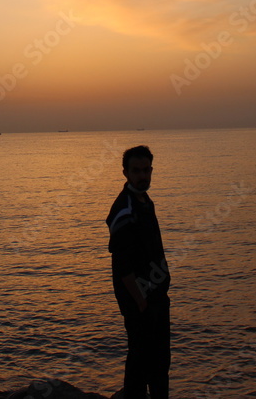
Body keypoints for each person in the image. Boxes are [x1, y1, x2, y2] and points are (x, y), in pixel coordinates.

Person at [106, 145, 170, 399]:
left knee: (160, 362)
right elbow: (122, 264)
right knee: (140, 361)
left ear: (152, 170)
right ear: (125, 173)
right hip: (140, 301)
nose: (142, 176)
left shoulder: (144, 201)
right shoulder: (124, 210)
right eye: (136, 171)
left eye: (146, 170)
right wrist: (140, 302)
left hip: (156, 296)